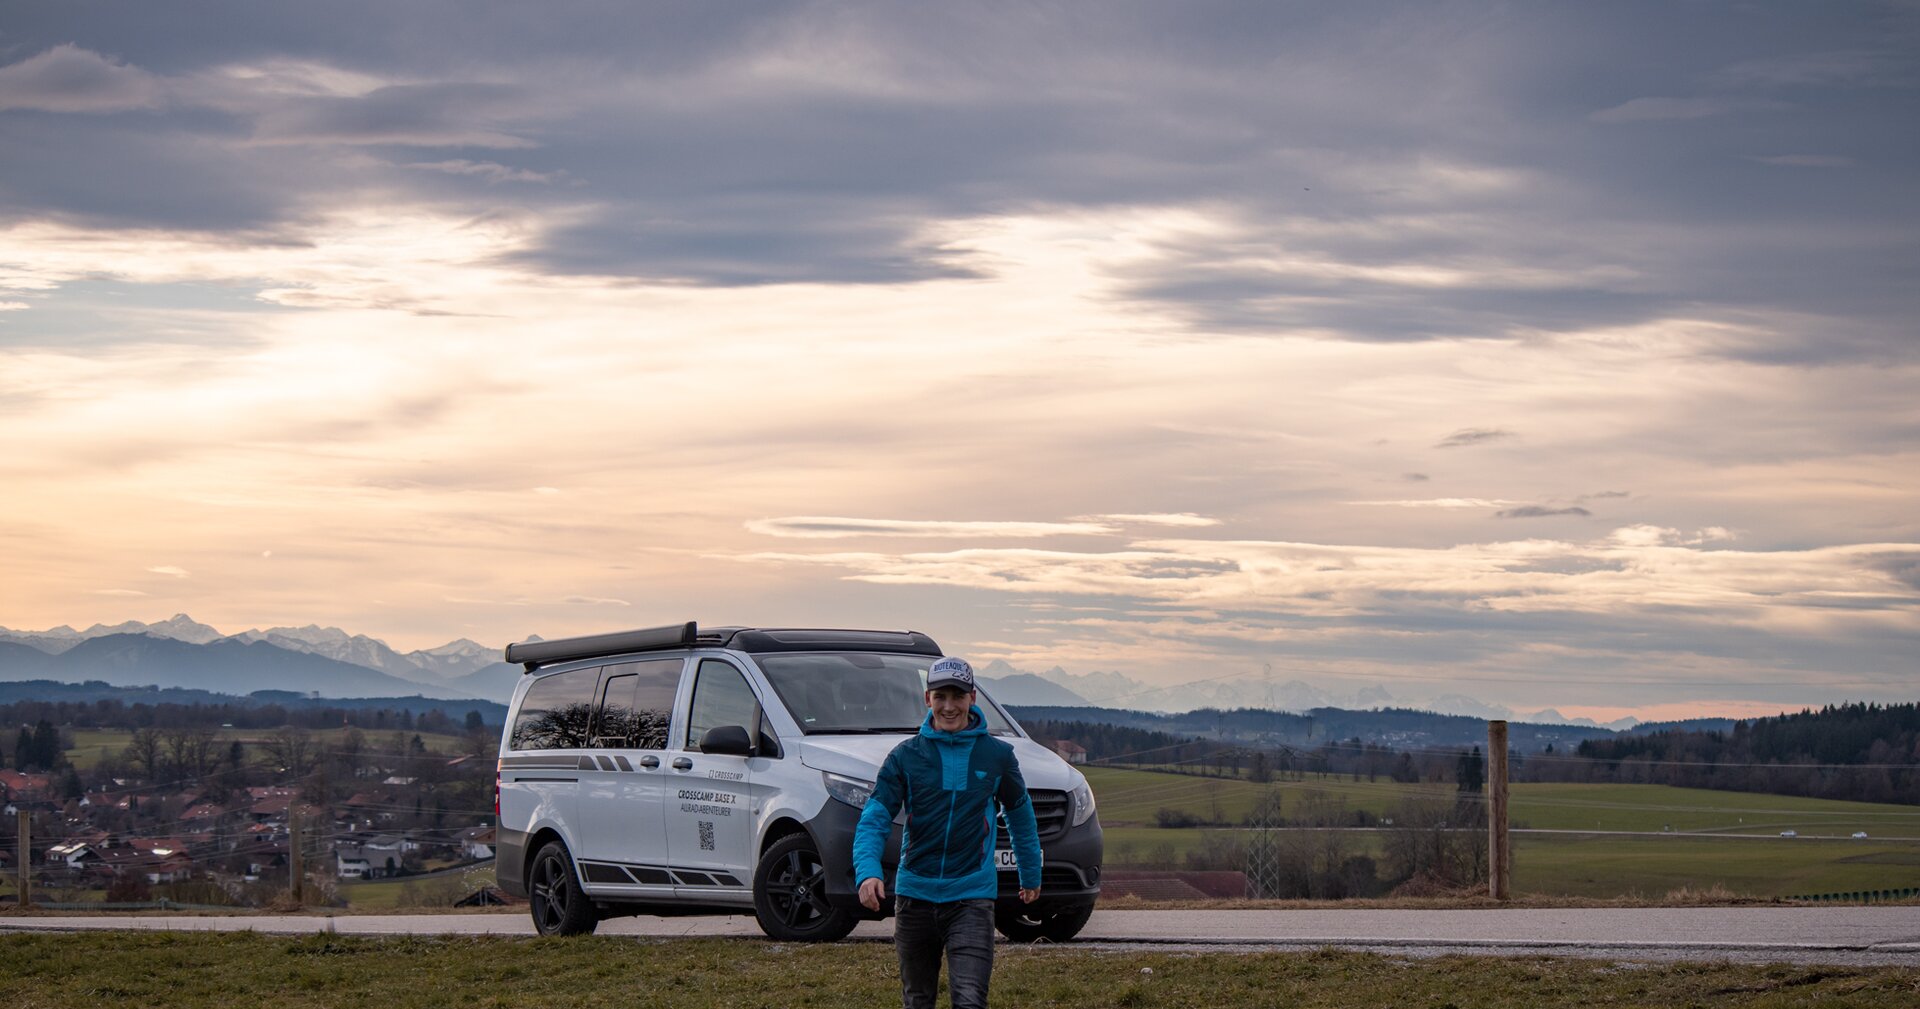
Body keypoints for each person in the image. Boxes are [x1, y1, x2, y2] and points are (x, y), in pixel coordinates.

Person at [853, 656, 1043, 1009]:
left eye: (957, 696)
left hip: (971, 897)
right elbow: (875, 817)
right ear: (928, 700)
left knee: (970, 1001)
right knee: (918, 1000)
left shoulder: (998, 756)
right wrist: (868, 872)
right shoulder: (905, 757)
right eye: (940, 697)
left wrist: (1030, 874)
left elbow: (1020, 815)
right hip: (915, 898)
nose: (949, 706)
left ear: (973, 698)